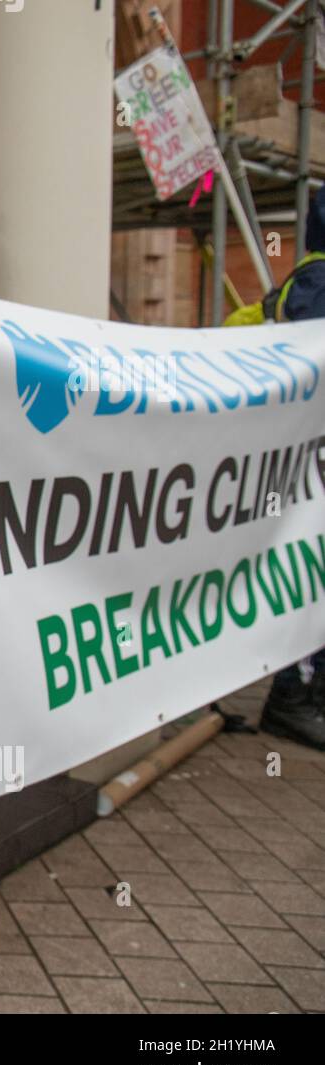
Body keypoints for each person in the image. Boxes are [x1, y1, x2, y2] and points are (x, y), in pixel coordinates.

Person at [237, 191, 325, 750]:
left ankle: (303, 694)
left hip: (303, 462)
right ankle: (293, 697)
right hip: (307, 465)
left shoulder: (307, 280)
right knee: (312, 578)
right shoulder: (317, 287)